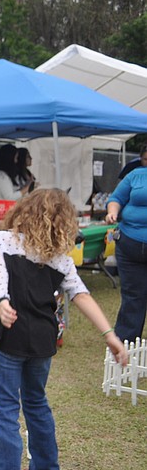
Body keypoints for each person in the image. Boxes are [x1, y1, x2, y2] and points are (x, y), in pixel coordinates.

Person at [0, 188, 128, 470]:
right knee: (36, 404)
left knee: (7, 414)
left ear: (25, 210)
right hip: (43, 342)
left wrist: (2, 302)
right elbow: (81, 294)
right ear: (62, 223)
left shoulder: (0, 241)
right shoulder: (60, 258)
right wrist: (109, 335)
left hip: (8, 340)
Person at [104, 144, 147, 343]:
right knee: (132, 296)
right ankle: (125, 345)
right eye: (145, 159)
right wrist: (112, 211)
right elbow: (116, 198)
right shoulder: (135, 175)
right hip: (130, 243)